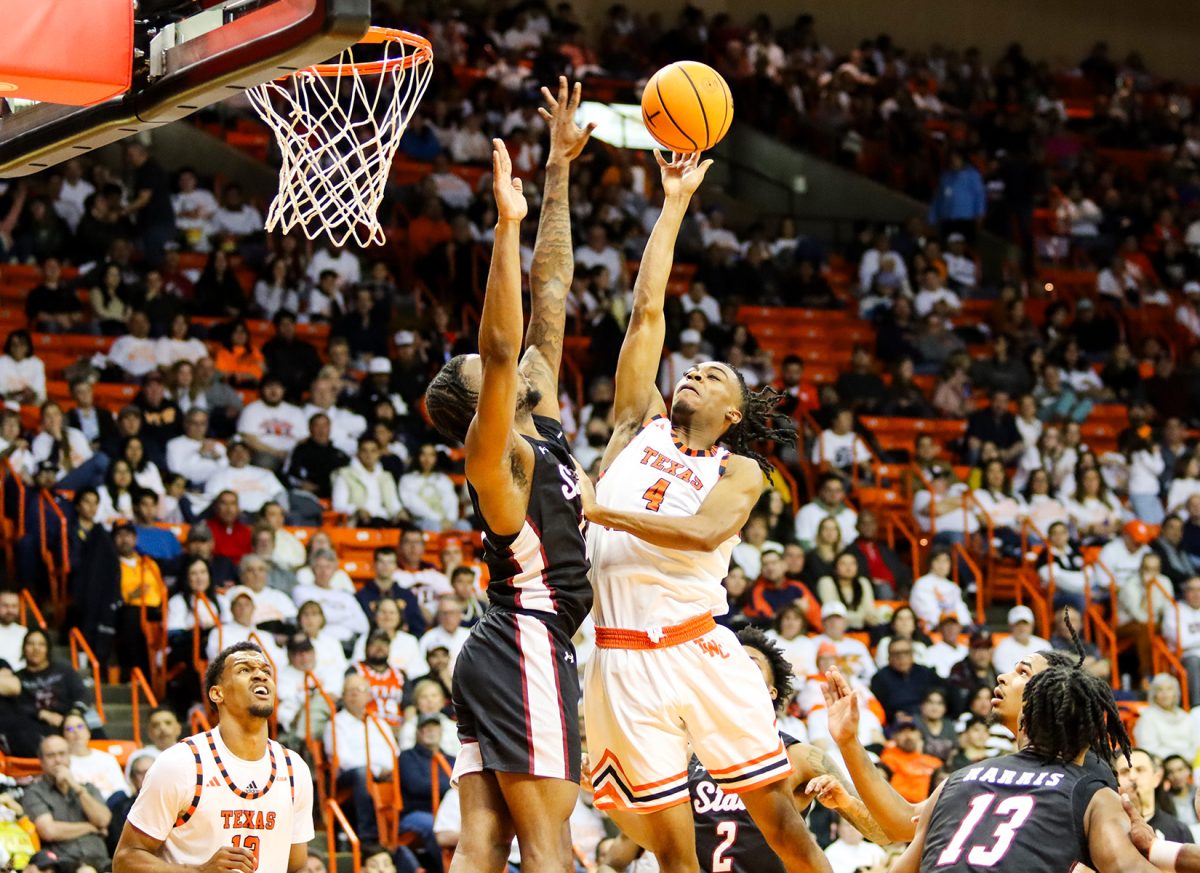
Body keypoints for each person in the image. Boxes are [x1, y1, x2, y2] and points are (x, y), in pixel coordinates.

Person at [579, 148, 829, 873]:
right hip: (619, 654)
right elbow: (647, 308)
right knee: (670, 849)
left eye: (712, 374)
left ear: (732, 411)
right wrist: (676, 201)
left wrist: (604, 512)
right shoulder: (636, 424)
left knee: (780, 819)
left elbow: (702, 532)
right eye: (691, 367)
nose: (692, 371)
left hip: (697, 645)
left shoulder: (740, 468)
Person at [421, 87, 595, 873]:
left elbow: (551, 292)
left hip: (503, 643)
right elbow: (498, 346)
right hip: (526, 639)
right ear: (477, 402)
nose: (511, 359)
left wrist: (557, 175)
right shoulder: (500, 455)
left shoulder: (542, 422)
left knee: (485, 842)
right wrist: (504, 226)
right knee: (549, 842)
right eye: (482, 368)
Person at [889, 666, 1157, 873]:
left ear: (1023, 722)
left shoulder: (955, 781)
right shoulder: (1094, 795)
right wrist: (1154, 849)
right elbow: (1127, 868)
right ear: (1094, 735)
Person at [113, 642, 314, 872]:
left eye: (266, 671)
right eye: (244, 670)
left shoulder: (294, 769)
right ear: (217, 693)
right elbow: (125, 859)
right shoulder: (181, 763)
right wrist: (199, 872)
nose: (260, 675)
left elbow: (296, 866)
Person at [22, 735, 111, 864]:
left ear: (70, 757)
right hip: (63, 862)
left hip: (100, 860)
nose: (58, 760)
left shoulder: (88, 789)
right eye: (51, 756)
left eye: (62, 754)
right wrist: (90, 827)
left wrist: (75, 787)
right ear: (41, 761)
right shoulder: (34, 792)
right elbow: (49, 831)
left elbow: (103, 820)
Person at [398, 716, 454, 873]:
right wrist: (450, 786)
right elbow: (416, 785)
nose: (430, 732)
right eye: (425, 728)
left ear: (441, 731)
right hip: (416, 813)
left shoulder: (452, 759)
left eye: (434, 728)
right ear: (418, 732)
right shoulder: (407, 757)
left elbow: (463, 785)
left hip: (449, 814)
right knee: (433, 826)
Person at [62, 711, 127, 803]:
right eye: (70, 729)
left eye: (80, 727)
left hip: (114, 806)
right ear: (63, 736)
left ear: (88, 732)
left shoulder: (107, 758)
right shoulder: (62, 762)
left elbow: (122, 789)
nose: (76, 731)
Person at [1134, 674, 1199, 764]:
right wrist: (1176, 760)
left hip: (1189, 764)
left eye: (1169, 689)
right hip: (1163, 765)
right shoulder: (1147, 717)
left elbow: (1196, 744)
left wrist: (1185, 761)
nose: (1165, 694)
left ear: (1176, 693)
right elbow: (1149, 749)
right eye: (1160, 690)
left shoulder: (1185, 716)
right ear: (1154, 695)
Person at [992, 605, 1051, 674]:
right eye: (1017, 624)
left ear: (1032, 625)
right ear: (1010, 626)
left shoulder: (1044, 645)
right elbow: (1010, 677)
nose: (1022, 628)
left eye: (1025, 623)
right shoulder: (1002, 648)